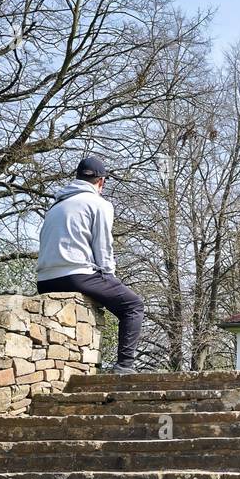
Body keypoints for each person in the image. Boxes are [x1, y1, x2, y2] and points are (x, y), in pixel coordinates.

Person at [36, 154, 144, 374]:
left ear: (76, 178)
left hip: (45, 280)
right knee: (133, 306)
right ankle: (124, 366)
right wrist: (110, 278)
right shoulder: (98, 204)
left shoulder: (56, 205)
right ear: (101, 182)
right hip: (76, 276)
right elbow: (103, 247)